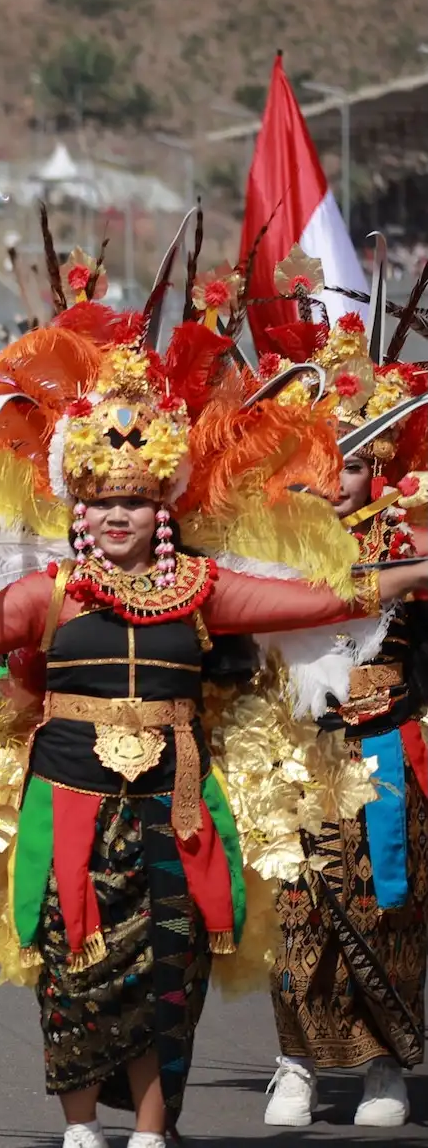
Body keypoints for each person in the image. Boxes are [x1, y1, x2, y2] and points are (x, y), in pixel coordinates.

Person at [0, 316, 428, 1148]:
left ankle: (153, 1131)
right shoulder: (46, 594)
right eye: (102, 501)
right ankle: (81, 1127)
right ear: (78, 505)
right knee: (72, 969)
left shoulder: (202, 586)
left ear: (159, 502)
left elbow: (325, 599)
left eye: (133, 499)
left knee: (168, 969)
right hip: (69, 802)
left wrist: (409, 573)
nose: (117, 515)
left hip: (177, 806)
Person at [264, 320, 428, 1129]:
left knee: (385, 910)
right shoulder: (266, 555)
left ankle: (383, 1070)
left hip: (385, 756)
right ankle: (294, 1064)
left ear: (380, 471)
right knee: (293, 913)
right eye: (321, 466)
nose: (337, 483)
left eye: (355, 465)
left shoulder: (408, 544)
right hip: (291, 757)